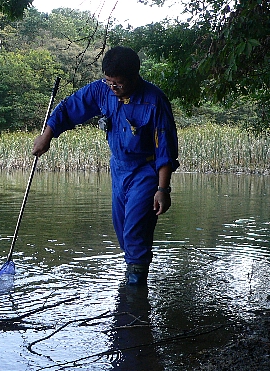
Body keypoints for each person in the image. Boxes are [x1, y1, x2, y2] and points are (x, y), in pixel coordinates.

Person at [32, 46, 179, 285]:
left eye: (118, 84)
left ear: (134, 77)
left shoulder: (154, 101)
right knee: (122, 231)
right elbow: (70, 107)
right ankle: (132, 288)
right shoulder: (102, 91)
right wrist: (47, 136)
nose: (113, 88)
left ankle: (134, 295)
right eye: (109, 81)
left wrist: (163, 190)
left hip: (146, 171)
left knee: (135, 232)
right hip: (118, 169)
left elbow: (165, 149)